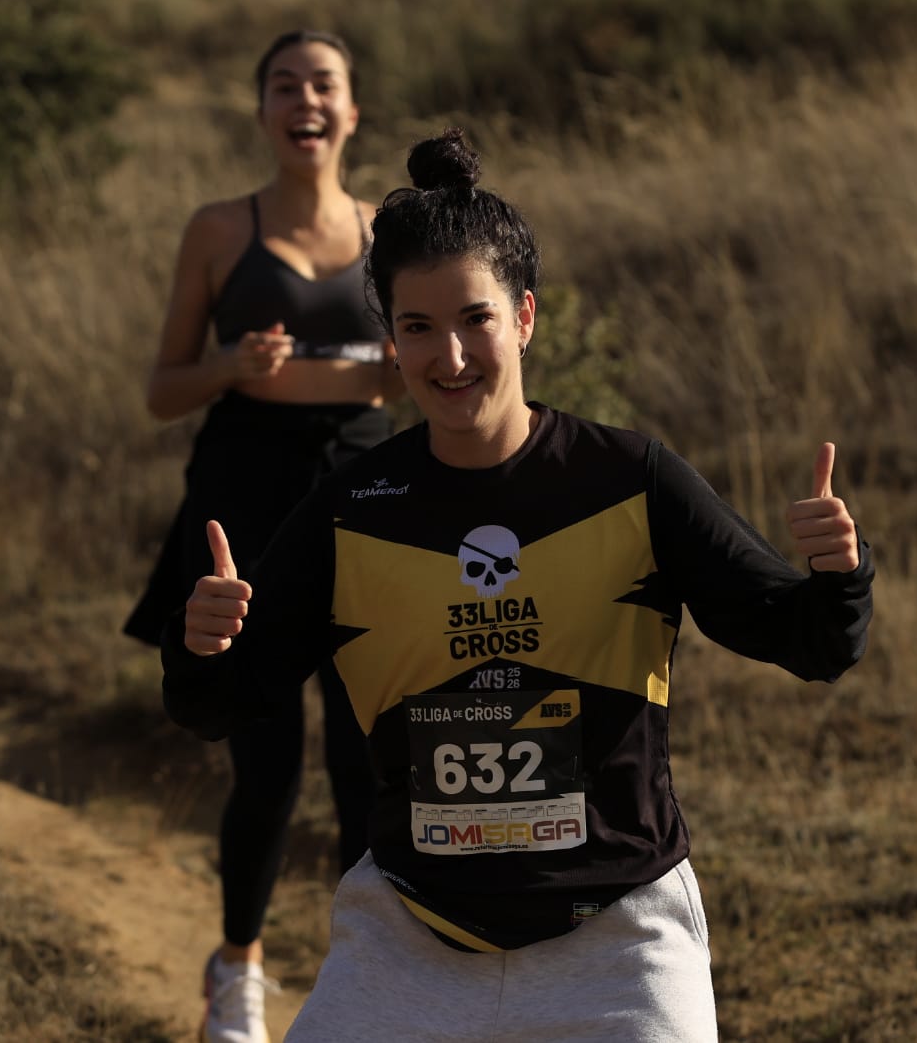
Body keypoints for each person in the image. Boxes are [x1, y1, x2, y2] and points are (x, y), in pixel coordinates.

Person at [163, 130, 875, 1042]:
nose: (449, 358)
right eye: (417, 327)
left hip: (618, 936)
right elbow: (218, 703)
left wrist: (837, 573)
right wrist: (204, 643)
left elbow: (811, 640)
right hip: (409, 934)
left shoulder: (630, 479)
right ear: (390, 336)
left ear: (526, 316)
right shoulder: (351, 510)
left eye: (475, 319)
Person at [123, 31, 398, 1043]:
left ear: (352, 110)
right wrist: (230, 363)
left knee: (366, 761)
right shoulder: (216, 228)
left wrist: (404, 377)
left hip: (364, 497)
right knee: (268, 760)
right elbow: (161, 391)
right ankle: (236, 966)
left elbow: (428, 368)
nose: (305, 101)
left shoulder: (389, 231)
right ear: (262, 113)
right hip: (245, 498)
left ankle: (363, 981)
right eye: (284, 86)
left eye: (324, 84)